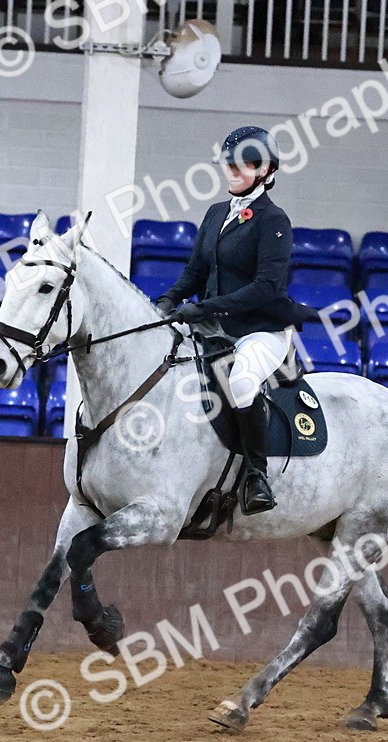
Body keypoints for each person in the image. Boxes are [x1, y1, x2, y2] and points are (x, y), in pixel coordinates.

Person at [154, 126, 314, 515]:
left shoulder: (273, 221)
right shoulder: (214, 214)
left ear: (264, 170)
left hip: (259, 329)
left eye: (239, 166)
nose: (230, 171)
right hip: (212, 326)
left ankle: (257, 476)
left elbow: (266, 288)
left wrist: (206, 309)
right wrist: (169, 299)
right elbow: (195, 270)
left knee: (241, 381)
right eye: (228, 164)